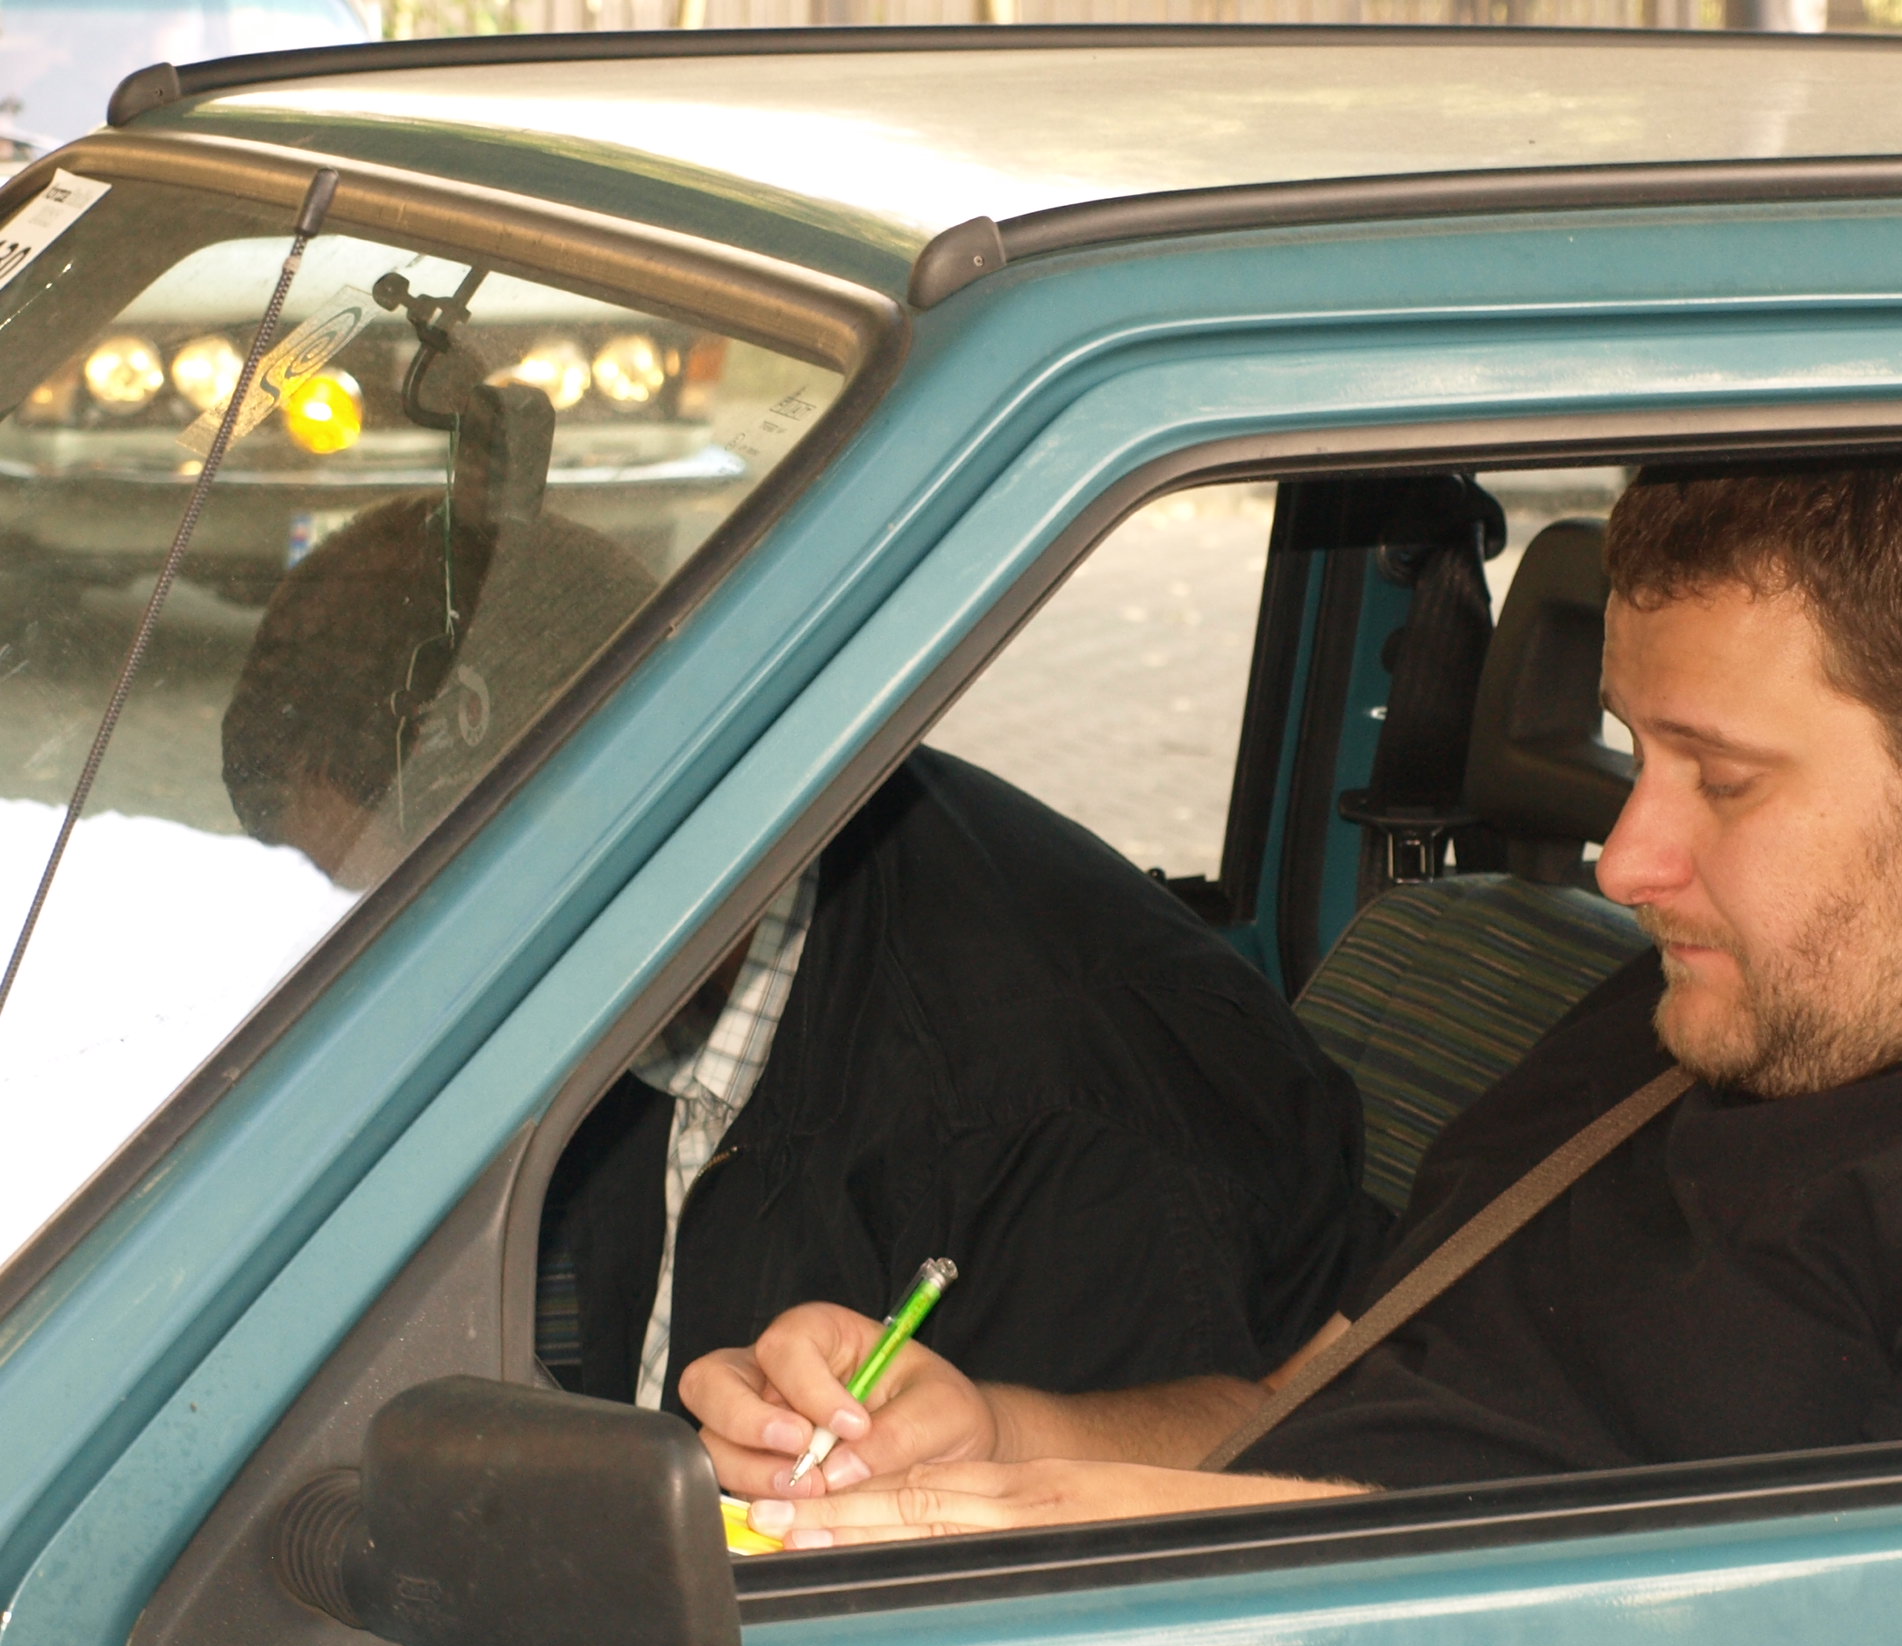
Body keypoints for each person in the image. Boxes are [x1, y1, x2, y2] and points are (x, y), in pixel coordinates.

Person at [692, 450, 1902, 1543]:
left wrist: (1169, 1555)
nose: (1631, 857)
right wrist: (1002, 1443)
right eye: (1638, 756)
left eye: (1722, 778)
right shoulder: (1714, 1026)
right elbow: (1306, 1403)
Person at [226, 493, 1382, 1423]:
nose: (414, 976)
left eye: (423, 911)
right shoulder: (666, 959)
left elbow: (1048, 1590)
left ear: (580, 818)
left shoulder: (1051, 1124)